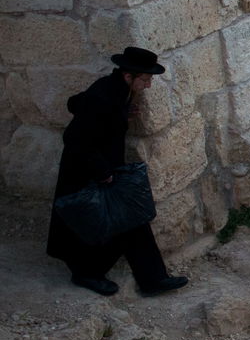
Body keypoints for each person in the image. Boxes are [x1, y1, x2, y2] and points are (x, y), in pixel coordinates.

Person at [47, 46, 188, 297]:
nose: (148, 85)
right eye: (145, 79)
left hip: (104, 169)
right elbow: (74, 137)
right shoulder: (104, 96)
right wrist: (103, 173)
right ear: (128, 76)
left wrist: (122, 113)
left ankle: (153, 279)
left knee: (131, 219)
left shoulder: (114, 91)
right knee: (102, 224)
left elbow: (75, 103)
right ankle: (88, 273)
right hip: (86, 173)